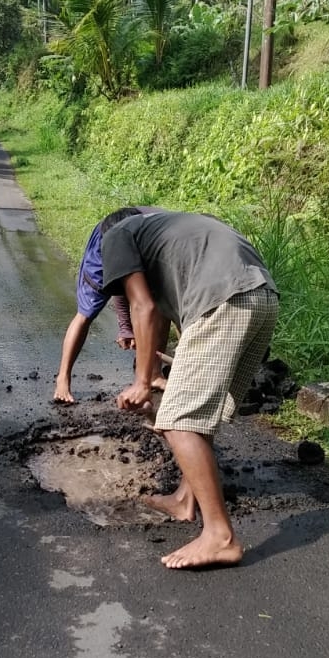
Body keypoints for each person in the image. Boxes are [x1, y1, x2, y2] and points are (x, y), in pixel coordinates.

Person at [100, 210, 279, 570]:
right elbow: (159, 316)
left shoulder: (115, 235)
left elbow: (143, 307)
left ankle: (220, 537)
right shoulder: (169, 236)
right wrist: (150, 374)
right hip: (261, 295)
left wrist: (140, 384)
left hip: (224, 299)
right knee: (197, 412)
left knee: (178, 421)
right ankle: (185, 499)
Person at [54, 206, 170, 404]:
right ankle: (62, 378)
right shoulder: (111, 243)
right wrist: (126, 327)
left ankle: (153, 373)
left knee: (161, 302)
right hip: (109, 237)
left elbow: (138, 293)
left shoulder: (164, 234)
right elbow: (119, 281)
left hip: (144, 242)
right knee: (86, 313)